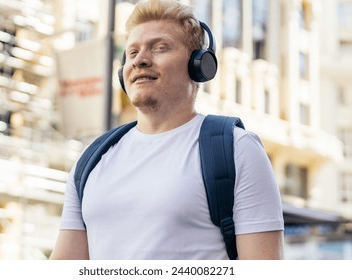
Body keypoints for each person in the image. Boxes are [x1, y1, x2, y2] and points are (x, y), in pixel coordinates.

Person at [50, 0, 284, 260]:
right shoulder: (91, 159)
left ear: (199, 64)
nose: (140, 60)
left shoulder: (237, 149)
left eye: (160, 48)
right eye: (132, 52)